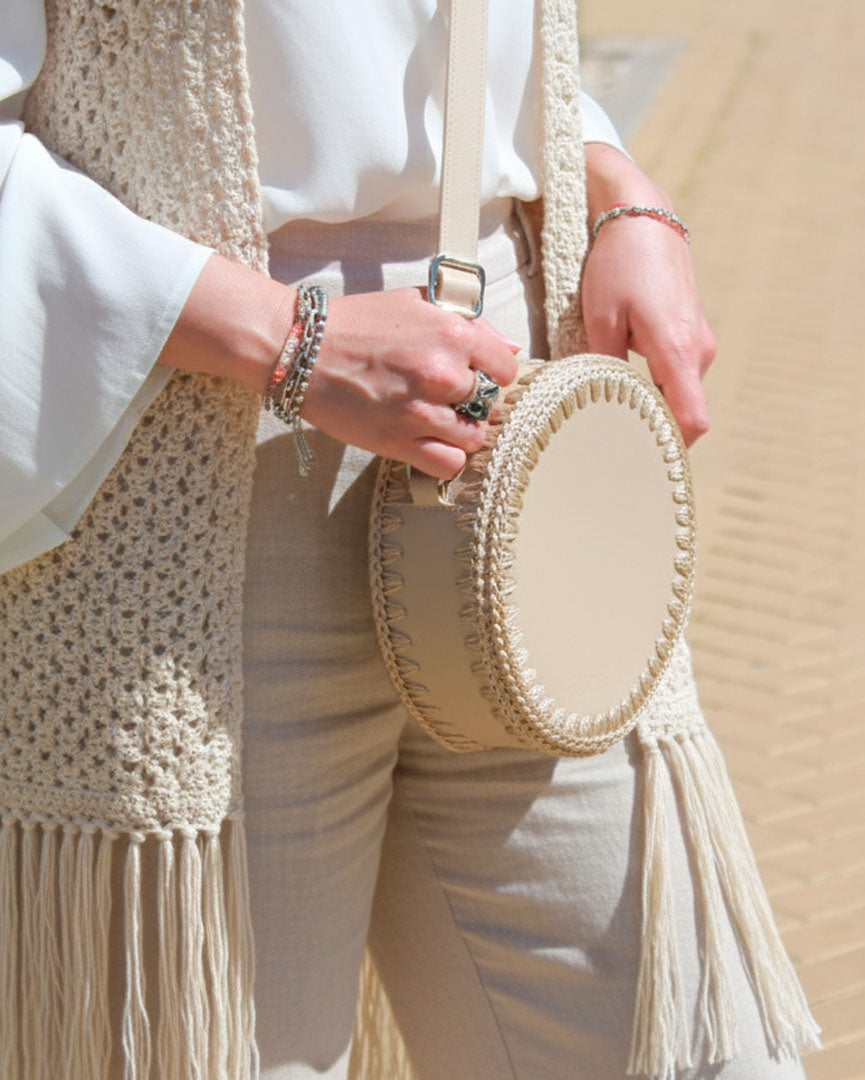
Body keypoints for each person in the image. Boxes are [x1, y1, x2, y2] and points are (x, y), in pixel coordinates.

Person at [0, 2, 818, 1078]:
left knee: (695, 1049)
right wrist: (290, 338)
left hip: (519, 445)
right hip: (185, 509)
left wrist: (624, 193)